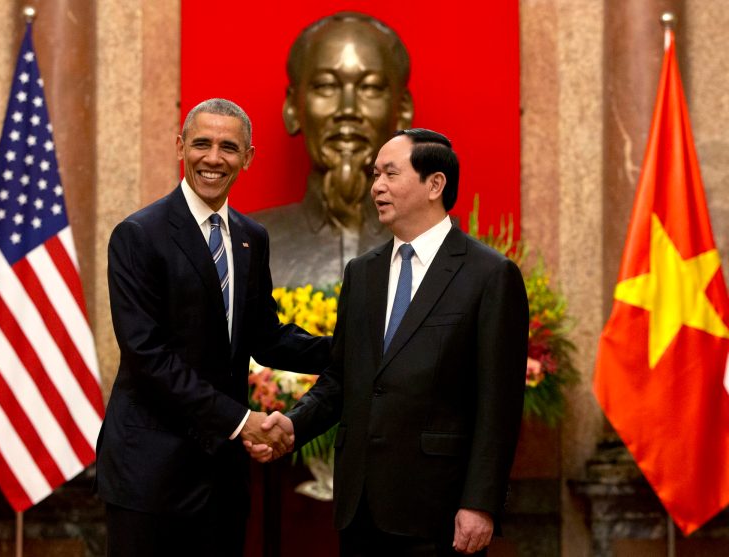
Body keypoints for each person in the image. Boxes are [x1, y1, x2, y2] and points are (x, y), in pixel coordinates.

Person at [249, 129, 529, 555]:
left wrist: (480, 503)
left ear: (434, 184)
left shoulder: (489, 275)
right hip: (360, 508)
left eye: (390, 174)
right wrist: (293, 424)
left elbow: (499, 405)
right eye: (375, 174)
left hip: (438, 510)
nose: (375, 186)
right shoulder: (363, 273)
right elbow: (343, 378)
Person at [95, 98, 331, 557]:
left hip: (221, 478)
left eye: (228, 146)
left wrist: (352, 345)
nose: (214, 158)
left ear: (248, 157)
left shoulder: (251, 237)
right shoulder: (139, 235)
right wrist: (243, 422)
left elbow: (266, 336)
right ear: (180, 147)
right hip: (150, 474)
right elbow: (148, 357)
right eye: (202, 144)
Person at [251, 11, 414, 288]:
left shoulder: (444, 244)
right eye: (326, 86)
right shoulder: (247, 246)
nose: (348, 110)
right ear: (292, 109)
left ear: (402, 111)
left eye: (370, 88)